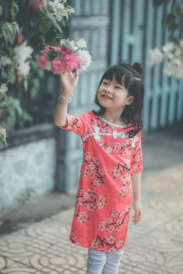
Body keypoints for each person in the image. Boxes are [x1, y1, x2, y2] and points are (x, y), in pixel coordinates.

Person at [54, 61, 144, 274]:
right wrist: (66, 93)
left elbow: (136, 166)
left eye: (116, 86)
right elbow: (61, 121)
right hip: (95, 203)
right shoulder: (89, 123)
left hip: (120, 204)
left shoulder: (132, 131)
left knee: (115, 256)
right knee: (96, 255)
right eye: (105, 83)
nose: (107, 89)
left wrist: (138, 201)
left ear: (129, 99)